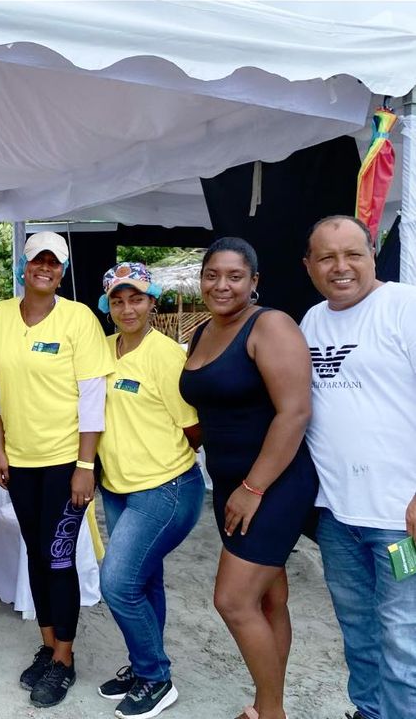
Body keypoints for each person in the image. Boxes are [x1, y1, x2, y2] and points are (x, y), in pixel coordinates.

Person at [179, 237, 318, 719]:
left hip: (273, 484)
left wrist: (253, 488)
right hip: (229, 484)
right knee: (269, 599)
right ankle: (264, 705)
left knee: (234, 601)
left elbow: (294, 413)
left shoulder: (270, 325)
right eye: (212, 275)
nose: (222, 285)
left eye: (235, 276)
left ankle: (272, 713)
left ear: (254, 281)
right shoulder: (202, 331)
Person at [0, 231, 113, 708]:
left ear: (62, 270)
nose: (44, 268)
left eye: (53, 262)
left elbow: (93, 397)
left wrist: (85, 465)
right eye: (37, 260)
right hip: (19, 461)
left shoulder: (78, 319)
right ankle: (47, 643)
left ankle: (64, 658)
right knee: (37, 555)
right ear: (23, 265)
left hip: (64, 461)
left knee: (58, 558)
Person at [300, 215, 416, 719]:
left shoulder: (404, 307)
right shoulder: (311, 321)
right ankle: (368, 712)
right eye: (327, 257)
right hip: (337, 517)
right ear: (309, 266)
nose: (340, 267)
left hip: (399, 520)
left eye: (353, 254)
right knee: (359, 634)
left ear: (373, 255)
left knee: (404, 641)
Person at [95, 262, 204, 719]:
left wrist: (153, 455)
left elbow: (194, 431)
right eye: (118, 301)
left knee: (118, 583)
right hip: (116, 487)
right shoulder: (102, 349)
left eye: (136, 298)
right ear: (107, 306)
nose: (128, 309)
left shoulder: (167, 355)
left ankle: (156, 677)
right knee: (144, 580)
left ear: (151, 302)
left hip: (165, 487)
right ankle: (144, 665)